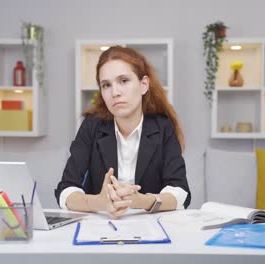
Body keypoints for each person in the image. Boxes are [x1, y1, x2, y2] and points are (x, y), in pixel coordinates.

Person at [54, 46, 191, 218]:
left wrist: (140, 201)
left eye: (123, 81)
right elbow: (66, 190)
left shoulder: (162, 127)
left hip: (150, 228)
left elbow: (180, 193)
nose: (115, 92)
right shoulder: (91, 126)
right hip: (101, 227)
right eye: (106, 85)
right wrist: (100, 202)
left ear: (143, 85)